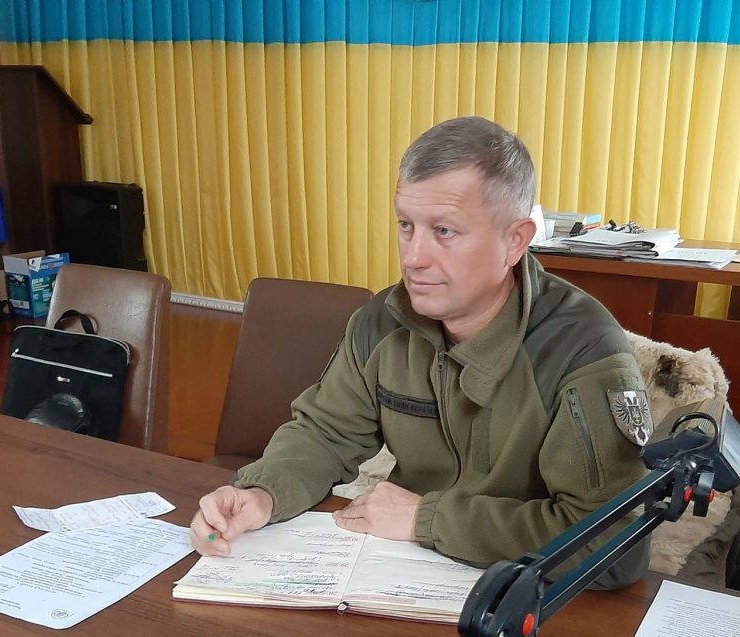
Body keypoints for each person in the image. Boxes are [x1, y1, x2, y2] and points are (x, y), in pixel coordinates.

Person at [190, 116, 651, 588]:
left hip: (525, 595)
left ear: (514, 241)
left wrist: (427, 519)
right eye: (406, 226)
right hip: (396, 573)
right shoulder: (381, 320)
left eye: (444, 231)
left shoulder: (585, 350)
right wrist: (264, 493)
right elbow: (326, 433)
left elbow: (615, 546)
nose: (413, 257)